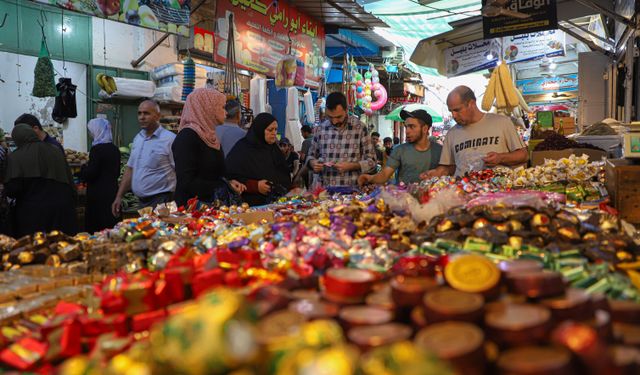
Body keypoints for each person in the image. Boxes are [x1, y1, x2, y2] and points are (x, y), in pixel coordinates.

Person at [424, 86, 528, 178]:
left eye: (457, 110)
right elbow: (448, 168)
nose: (454, 115)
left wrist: (500, 158)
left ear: (471, 104)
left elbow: (523, 155)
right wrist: (436, 173)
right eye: (451, 111)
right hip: (464, 193)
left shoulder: (502, 123)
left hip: (497, 193)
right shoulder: (452, 134)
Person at [171, 88, 246, 207]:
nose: (226, 113)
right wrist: (223, 186)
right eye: (222, 107)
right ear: (208, 108)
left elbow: (215, 174)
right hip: (192, 211)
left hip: (211, 207)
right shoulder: (187, 137)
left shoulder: (210, 136)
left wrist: (229, 183)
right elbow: (187, 182)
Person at [5, 124, 77, 236]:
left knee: (38, 250)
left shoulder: (15, 157)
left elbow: (13, 189)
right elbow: (69, 179)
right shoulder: (55, 150)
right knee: (61, 248)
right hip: (62, 210)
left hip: (34, 214)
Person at [112, 100, 176, 216]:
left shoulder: (170, 140)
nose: (142, 117)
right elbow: (130, 169)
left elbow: (180, 171)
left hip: (162, 201)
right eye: (139, 113)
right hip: (141, 203)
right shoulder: (138, 138)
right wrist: (119, 196)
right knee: (146, 233)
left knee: (162, 233)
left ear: (157, 116)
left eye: (146, 113)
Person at [307, 92, 376, 187]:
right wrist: (313, 163)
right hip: (324, 192)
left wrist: (352, 166)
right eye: (330, 117)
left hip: (352, 192)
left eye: (339, 117)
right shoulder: (320, 129)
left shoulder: (360, 128)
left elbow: (372, 162)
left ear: (346, 110)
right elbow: (310, 157)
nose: (334, 121)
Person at [359, 109, 442, 186]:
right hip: (404, 200)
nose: (407, 131)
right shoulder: (400, 150)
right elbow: (385, 175)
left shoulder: (440, 151)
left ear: (425, 129)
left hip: (433, 199)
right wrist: (369, 178)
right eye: (406, 127)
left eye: (412, 126)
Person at [226, 113, 291, 206]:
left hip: (276, 205)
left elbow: (284, 174)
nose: (274, 133)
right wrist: (255, 186)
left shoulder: (274, 149)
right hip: (249, 206)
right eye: (270, 130)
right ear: (260, 129)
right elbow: (230, 176)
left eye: (276, 129)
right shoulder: (243, 148)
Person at [77, 118, 120, 233]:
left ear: (97, 131)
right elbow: (117, 172)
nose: (90, 134)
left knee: (97, 227)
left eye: (91, 131)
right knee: (111, 227)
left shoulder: (96, 149)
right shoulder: (115, 149)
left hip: (98, 195)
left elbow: (90, 173)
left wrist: (82, 168)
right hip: (112, 193)